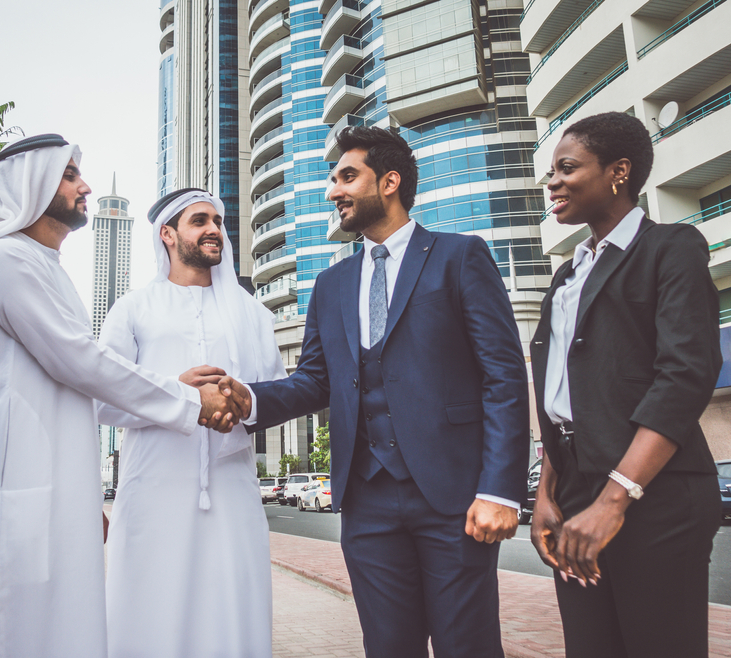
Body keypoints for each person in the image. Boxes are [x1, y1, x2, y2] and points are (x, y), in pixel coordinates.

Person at [0, 137, 243, 658]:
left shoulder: (43, 265)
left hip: (48, 486)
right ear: (31, 184)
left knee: (49, 631)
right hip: (10, 488)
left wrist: (82, 496)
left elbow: (70, 384)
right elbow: (79, 360)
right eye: (70, 174)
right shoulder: (4, 260)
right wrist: (188, 401)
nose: (85, 186)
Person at [221, 126, 530, 657]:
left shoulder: (459, 256)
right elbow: (316, 380)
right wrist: (251, 399)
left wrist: (500, 490)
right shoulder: (331, 284)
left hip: (454, 496)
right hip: (366, 499)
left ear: (389, 182)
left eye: (346, 176)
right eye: (332, 178)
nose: (332, 191)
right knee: (387, 647)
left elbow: (502, 376)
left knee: (468, 646)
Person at [529, 111, 721, 657]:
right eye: (551, 171)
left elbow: (685, 376)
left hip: (652, 496)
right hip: (575, 494)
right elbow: (561, 398)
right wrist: (547, 493)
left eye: (567, 168)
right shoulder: (567, 275)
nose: (553, 181)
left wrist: (615, 500)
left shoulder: (671, 248)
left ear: (619, 171)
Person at [98, 188, 287, 658]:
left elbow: (277, 393)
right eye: (199, 221)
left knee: (233, 613)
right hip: (152, 489)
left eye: (218, 222)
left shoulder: (253, 314)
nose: (214, 230)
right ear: (167, 234)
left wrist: (240, 402)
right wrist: (178, 392)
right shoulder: (133, 308)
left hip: (233, 489)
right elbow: (100, 401)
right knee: (148, 613)